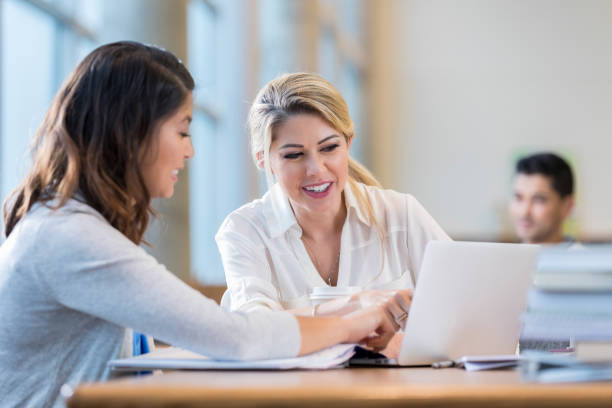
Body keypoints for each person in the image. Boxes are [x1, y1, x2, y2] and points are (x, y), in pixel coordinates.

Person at [0, 43, 401, 408]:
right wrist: (353, 323)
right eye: (182, 130)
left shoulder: (71, 226)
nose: (189, 150)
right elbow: (236, 337)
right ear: (133, 132)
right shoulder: (72, 238)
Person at [216, 72, 450, 350]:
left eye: (329, 148)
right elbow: (252, 328)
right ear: (264, 161)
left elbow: (465, 304)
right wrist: (355, 305)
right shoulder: (245, 230)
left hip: (395, 390)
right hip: (290, 394)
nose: (316, 169)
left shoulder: (402, 215)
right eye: (294, 155)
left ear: (348, 144)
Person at [509, 152, 575, 245]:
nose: (524, 212)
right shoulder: (503, 259)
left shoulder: (586, 259)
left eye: (538, 200)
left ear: (567, 207)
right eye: (519, 198)